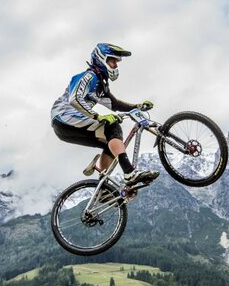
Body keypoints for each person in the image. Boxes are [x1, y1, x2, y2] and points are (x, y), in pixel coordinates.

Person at [51, 43, 160, 185]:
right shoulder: (89, 76)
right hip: (64, 117)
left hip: (66, 128)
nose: (115, 65)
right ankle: (129, 173)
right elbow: (74, 99)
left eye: (117, 62)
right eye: (113, 61)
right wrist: (98, 116)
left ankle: (103, 188)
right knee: (112, 126)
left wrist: (138, 106)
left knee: (111, 142)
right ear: (101, 59)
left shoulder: (101, 85)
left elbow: (114, 105)